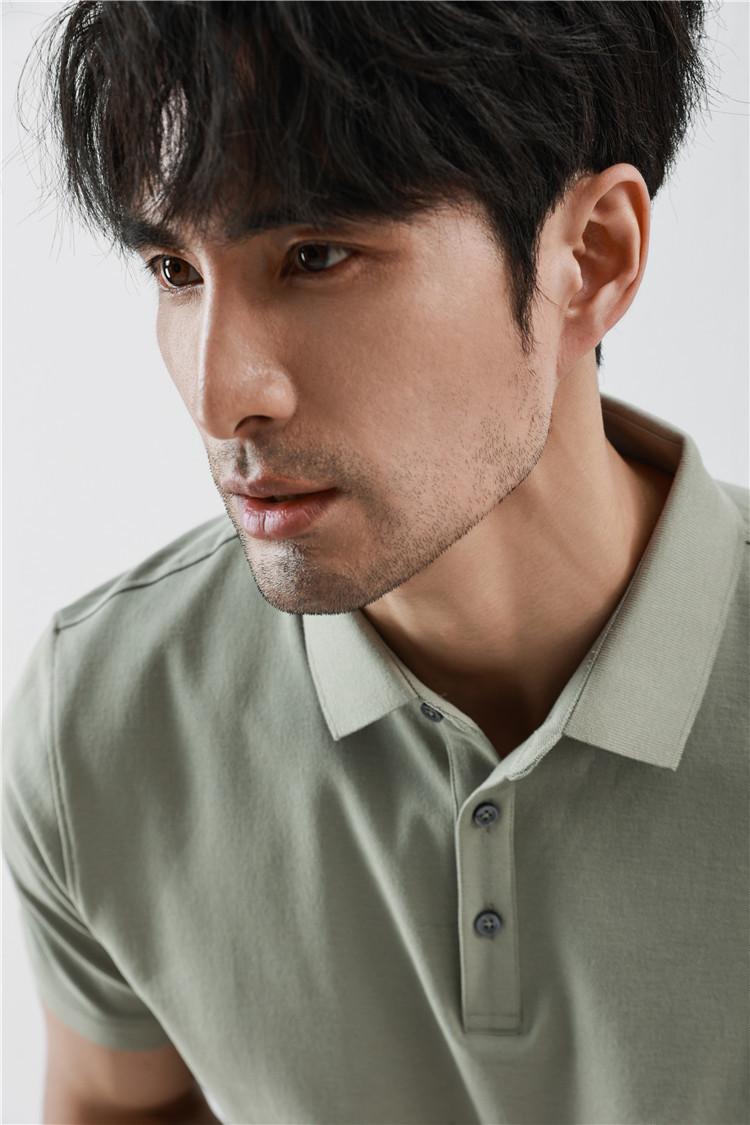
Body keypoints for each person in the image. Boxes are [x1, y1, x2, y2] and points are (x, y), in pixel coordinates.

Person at [3, 2, 747, 1123]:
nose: (219, 394)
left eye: (315, 256)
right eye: (174, 269)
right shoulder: (103, 719)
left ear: (591, 256)